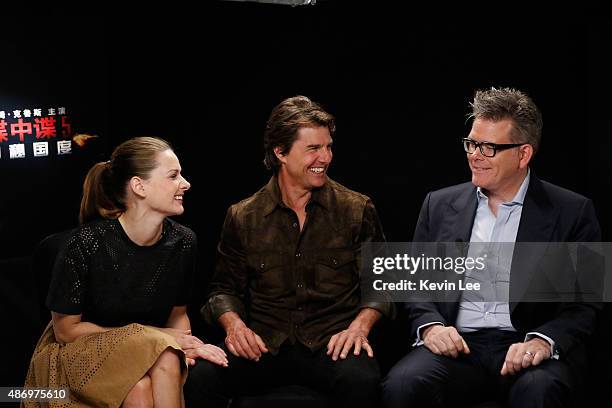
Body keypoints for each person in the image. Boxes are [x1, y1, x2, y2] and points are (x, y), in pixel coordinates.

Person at [382, 87, 601, 408]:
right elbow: (417, 287)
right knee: (403, 384)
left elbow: (586, 303)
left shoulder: (572, 210)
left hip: (525, 345)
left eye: (488, 147)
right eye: (471, 144)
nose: (474, 155)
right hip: (458, 347)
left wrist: (543, 340)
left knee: (539, 391)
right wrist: (430, 327)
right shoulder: (438, 204)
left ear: (523, 154)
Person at [184, 96, 393, 408]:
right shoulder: (244, 216)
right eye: (313, 149)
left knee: (361, 380)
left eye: (328, 146)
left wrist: (359, 328)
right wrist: (235, 326)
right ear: (280, 152)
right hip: (265, 346)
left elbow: (384, 284)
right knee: (201, 376)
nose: (326, 157)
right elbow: (222, 290)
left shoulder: (356, 209)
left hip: (331, 344)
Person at [23, 137, 227, 408]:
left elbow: (178, 316)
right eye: (173, 175)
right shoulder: (86, 243)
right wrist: (153, 337)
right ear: (138, 186)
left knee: (159, 365)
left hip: (151, 351)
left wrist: (186, 344)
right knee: (155, 361)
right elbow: (66, 331)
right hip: (80, 351)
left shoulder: (183, 241)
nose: (186, 183)